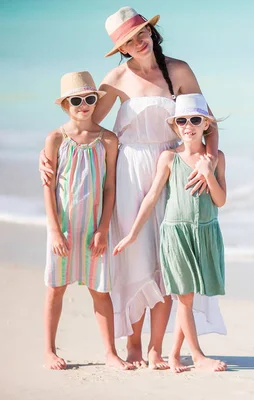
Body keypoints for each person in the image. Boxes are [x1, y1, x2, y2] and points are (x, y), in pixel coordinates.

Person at [39, 7, 226, 370]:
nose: (137, 43)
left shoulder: (180, 70)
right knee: (135, 256)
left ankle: (157, 348)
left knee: (167, 259)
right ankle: (135, 344)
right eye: (127, 41)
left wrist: (208, 162)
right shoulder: (116, 78)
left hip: (173, 168)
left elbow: (209, 121)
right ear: (121, 48)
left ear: (151, 32)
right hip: (129, 172)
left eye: (140, 34)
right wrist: (48, 153)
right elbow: (85, 121)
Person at [114, 93, 228, 373]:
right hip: (176, 234)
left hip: (206, 233)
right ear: (175, 126)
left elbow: (220, 200)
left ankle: (175, 355)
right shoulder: (169, 157)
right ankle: (198, 356)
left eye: (195, 119)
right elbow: (152, 197)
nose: (188, 125)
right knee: (185, 297)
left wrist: (208, 171)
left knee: (189, 297)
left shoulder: (216, 158)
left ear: (206, 124)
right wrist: (131, 234)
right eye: (182, 121)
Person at [43, 71, 133, 371]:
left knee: (100, 290)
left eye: (89, 99)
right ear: (65, 105)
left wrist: (104, 229)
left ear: (96, 101)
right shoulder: (56, 138)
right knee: (56, 288)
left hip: (95, 228)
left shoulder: (108, 139)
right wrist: (55, 230)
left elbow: (110, 186)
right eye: (76, 100)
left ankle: (110, 352)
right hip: (65, 227)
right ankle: (48, 350)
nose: (84, 105)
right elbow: (48, 186)